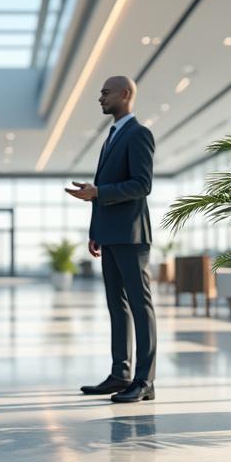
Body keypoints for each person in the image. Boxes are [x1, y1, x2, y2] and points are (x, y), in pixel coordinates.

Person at [66, 76, 157, 402]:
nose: (100, 97)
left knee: (139, 306)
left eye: (105, 92)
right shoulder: (113, 136)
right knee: (116, 307)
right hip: (111, 235)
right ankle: (121, 374)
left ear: (125, 94)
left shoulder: (139, 134)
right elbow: (104, 189)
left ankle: (144, 381)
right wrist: (96, 231)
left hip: (132, 237)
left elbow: (141, 185)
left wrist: (98, 192)